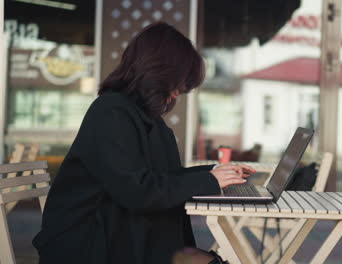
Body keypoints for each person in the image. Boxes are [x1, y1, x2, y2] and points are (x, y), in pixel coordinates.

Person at [32, 22, 255, 264]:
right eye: (179, 81)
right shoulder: (111, 112)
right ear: (158, 71)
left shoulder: (141, 115)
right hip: (90, 243)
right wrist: (209, 180)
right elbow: (137, 190)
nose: (180, 91)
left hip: (122, 231)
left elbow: (164, 176)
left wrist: (215, 173)